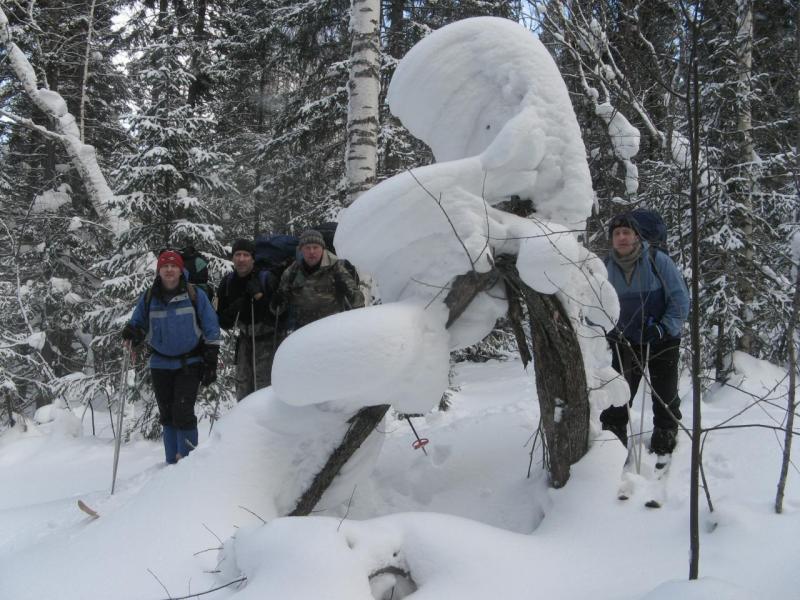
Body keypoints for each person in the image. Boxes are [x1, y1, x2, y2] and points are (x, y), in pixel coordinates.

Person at [601, 213, 690, 456]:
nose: (621, 237)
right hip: (625, 340)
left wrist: (663, 327)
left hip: (663, 338)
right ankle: (613, 431)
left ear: (637, 236)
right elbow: (596, 304)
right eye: (616, 233)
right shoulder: (605, 266)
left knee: (665, 390)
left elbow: (681, 300)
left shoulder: (657, 260)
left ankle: (665, 430)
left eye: (626, 232)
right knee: (620, 390)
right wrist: (607, 329)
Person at [121, 250, 221, 464]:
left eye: (173, 266)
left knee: (183, 412)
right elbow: (138, 323)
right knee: (167, 414)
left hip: (190, 362)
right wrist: (132, 332)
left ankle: (188, 463)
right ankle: (170, 465)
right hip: (160, 363)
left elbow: (211, 328)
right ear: (159, 271)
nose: (169, 270)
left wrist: (211, 361)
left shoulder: (195, 295)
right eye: (164, 266)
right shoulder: (149, 297)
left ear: (180, 269)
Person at [216, 239, 277, 400]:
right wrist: (232, 310)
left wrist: (259, 297)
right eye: (237, 254)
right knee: (243, 386)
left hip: (269, 340)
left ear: (253, 258)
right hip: (244, 340)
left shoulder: (266, 279)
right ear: (232, 258)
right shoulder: (228, 283)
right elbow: (221, 320)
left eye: (246, 255)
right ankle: (244, 422)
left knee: (265, 387)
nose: (241, 259)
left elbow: (279, 313)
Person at [271, 229, 364, 332]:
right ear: (301, 250)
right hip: (303, 330)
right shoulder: (291, 273)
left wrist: (347, 292)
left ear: (323, 249)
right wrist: (277, 302)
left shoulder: (337, 269)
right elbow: (278, 310)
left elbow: (359, 303)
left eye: (315, 247)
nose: (312, 252)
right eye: (307, 248)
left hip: (334, 328)